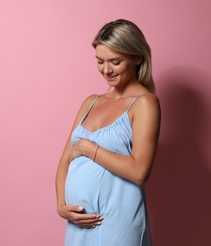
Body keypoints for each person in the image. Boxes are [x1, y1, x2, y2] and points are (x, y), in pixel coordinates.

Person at [55, 19, 161, 246]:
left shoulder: (144, 104)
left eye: (115, 61)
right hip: (79, 224)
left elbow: (139, 171)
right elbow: (65, 159)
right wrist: (62, 206)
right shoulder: (91, 102)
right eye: (100, 61)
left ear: (137, 58)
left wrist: (89, 148)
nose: (106, 70)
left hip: (118, 223)